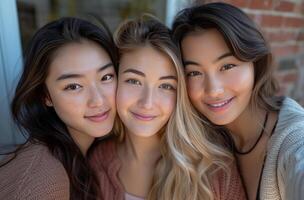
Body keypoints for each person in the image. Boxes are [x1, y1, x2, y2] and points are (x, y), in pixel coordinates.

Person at [90, 16, 246, 200]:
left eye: (166, 86)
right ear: (114, 80)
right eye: (134, 81)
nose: (147, 103)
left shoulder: (214, 170)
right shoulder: (96, 161)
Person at [172, 2, 304, 200]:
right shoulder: (196, 135)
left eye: (227, 66)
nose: (214, 90)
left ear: (255, 62)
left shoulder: (294, 142)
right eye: (194, 72)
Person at [0, 17, 118, 200]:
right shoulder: (45, 181)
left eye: (106, 77)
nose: (98, 100)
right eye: (73, 86)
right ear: (46, 96)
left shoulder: (84, 154)